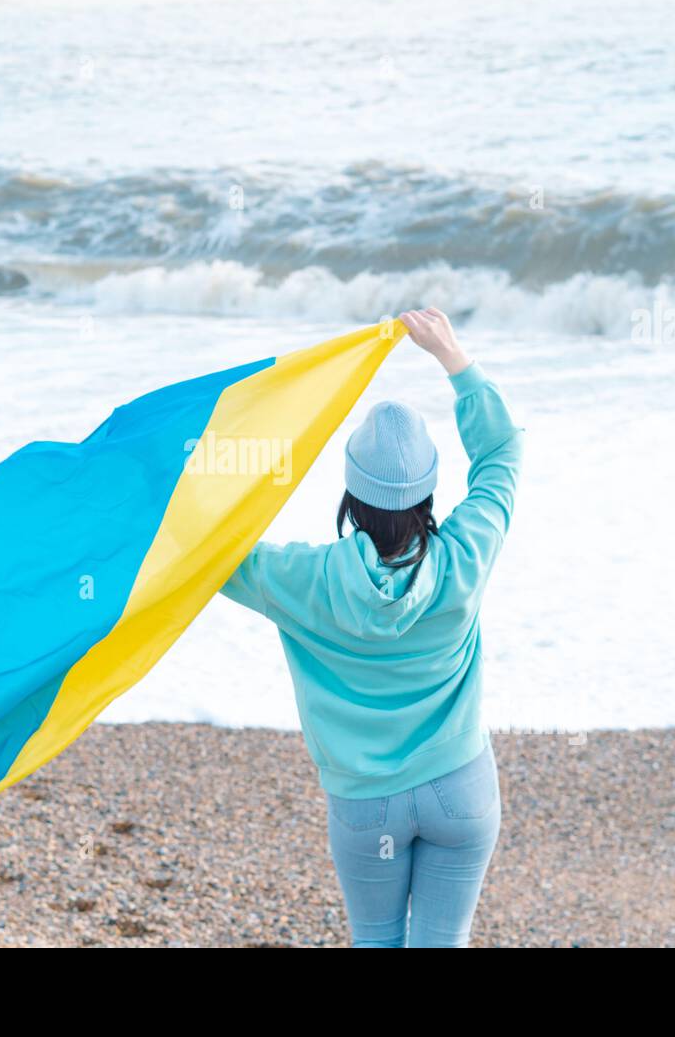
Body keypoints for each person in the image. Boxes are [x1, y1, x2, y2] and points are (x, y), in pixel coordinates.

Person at [220, 307, 525, 947]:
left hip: (367, 805)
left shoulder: (299, 578)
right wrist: (454, 360)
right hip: (460, 789)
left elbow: (209, 554)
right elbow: (501, 452)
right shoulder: (466, 554)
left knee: (376, 941)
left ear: (352, 496)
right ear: (428, 492)